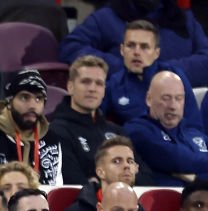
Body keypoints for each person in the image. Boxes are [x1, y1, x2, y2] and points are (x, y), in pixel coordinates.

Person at [58, 0, 208, 87]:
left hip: (181, 110)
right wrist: (124, 69)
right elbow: (71, 47)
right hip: (124, 111)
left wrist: (164, 72)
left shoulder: (184, 19)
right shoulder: (107, 17)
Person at [50, 55, 139, 185]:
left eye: (99, 83)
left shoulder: (118, 132)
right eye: (85, 82)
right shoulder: (56, 131)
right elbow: (73, 182)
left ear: (104, 90)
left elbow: (144, 176)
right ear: (70, 87)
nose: (92, 89)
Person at [101, 20, 201, 129]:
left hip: (175, 144)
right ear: (122, 50)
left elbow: (195, 127)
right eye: (131, 45)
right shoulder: (113, 85)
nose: (136, 52)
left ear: (156, 53)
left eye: (144, 47)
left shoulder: (175, 77)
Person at [0, 69, 63, 185]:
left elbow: (56, 188)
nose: (32, 106)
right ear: (9, 101)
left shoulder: (51, 139)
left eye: (38, 99)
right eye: (24, 97)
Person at [125, 70, 208, 186]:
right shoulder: (137, 130)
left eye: (178, 98)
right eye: (166, 98)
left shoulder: (194, 132)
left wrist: (196, 178)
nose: (173, 106)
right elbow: (176, 159)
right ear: (149, 99)